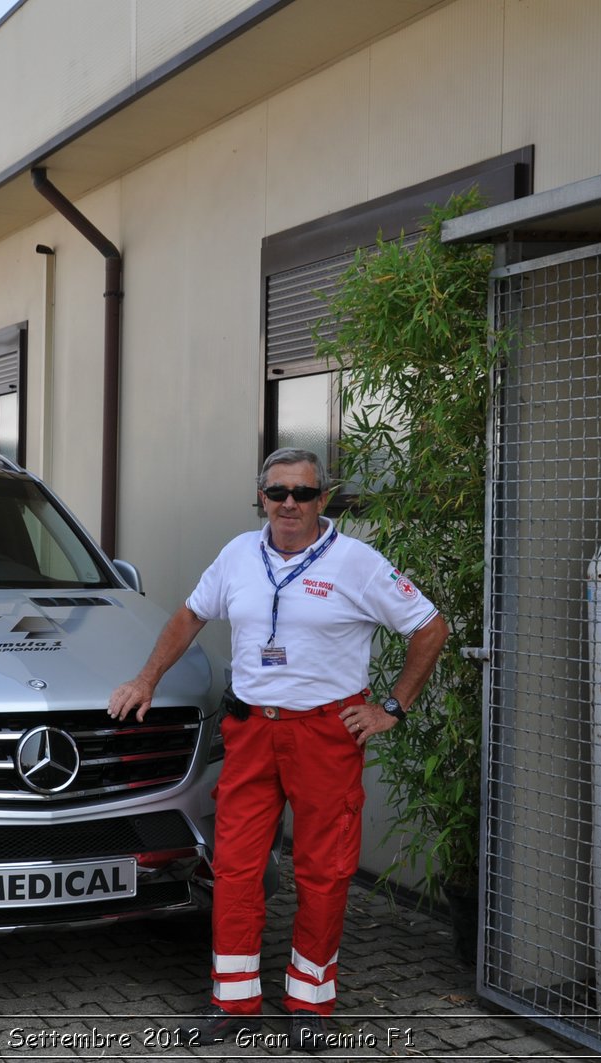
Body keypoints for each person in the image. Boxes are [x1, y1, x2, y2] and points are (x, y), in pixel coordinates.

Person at [107, 448, 448, 1053]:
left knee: (324, 871)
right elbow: (189, 616)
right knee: (235, 867)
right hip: (251, 734)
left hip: (324, 736)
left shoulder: (357, 563)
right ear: (260, 497)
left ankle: (309, 1005)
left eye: (304, 493)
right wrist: (146, 679)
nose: (290, 504)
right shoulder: (238, 554)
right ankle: (233, 1000)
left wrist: (392, 707)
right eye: (278, 492)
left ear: (324, 499)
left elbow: (429, 626)